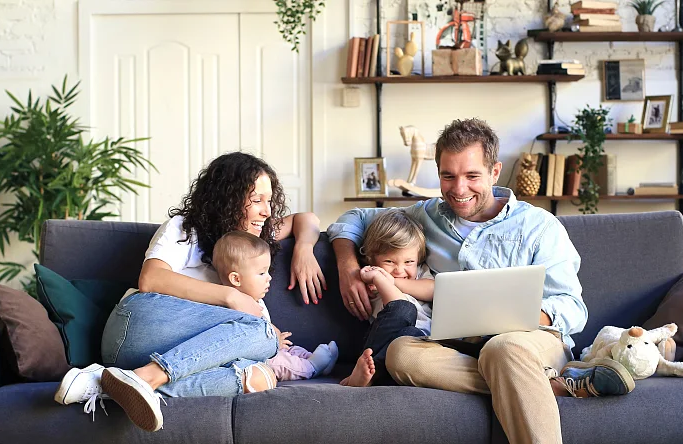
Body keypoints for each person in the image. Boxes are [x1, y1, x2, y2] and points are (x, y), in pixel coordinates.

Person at [328, 118, 634, 444]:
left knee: (502, 348)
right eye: (448, 176)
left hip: (529, 342)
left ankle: (528, 370)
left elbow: (573, 309)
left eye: (472, 176)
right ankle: (547, 382)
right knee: (401, 354)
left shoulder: (539, 226)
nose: (458, 190)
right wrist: (348, 267)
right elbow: (355, 219)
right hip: (454, 349)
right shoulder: (425, 215)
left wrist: (514, 316)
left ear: (495, 172)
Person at [54, 152, 327, 432]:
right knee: (263, 332)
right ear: (228, 199)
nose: (267, 211)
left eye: (269, 200)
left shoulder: (252, 239)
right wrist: (232, 297)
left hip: (169, 357)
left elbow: (305, 219)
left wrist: (304, 250)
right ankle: (148, 377)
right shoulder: (185, 229)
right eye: (256, 200)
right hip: (137, 327)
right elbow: (151, 278)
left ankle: (108, 384)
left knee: (261, 376)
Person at [212, 231, 339, 382]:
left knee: (291, 350)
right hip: (255, 358)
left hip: (269, 347)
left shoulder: (254, 299)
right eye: (261, 273)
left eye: (267, 271)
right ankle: (312, 367)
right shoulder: (231, 306)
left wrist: (276, 336)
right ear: (236, 279)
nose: (269, 277)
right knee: (281, 363)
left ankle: (319, 361)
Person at [338, 210, 434, 387]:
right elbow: (399, 305)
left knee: (411, 334)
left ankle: (372, 378)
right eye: (390, 262)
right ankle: (365, 377)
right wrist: (381, 280)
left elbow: (433, 289)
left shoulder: (420, 272)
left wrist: (392, 280)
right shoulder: (371, 277)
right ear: (371, 258)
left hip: (420, 345)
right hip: (386, 345)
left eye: (409, 262)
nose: (399, 270)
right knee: (404, 311)